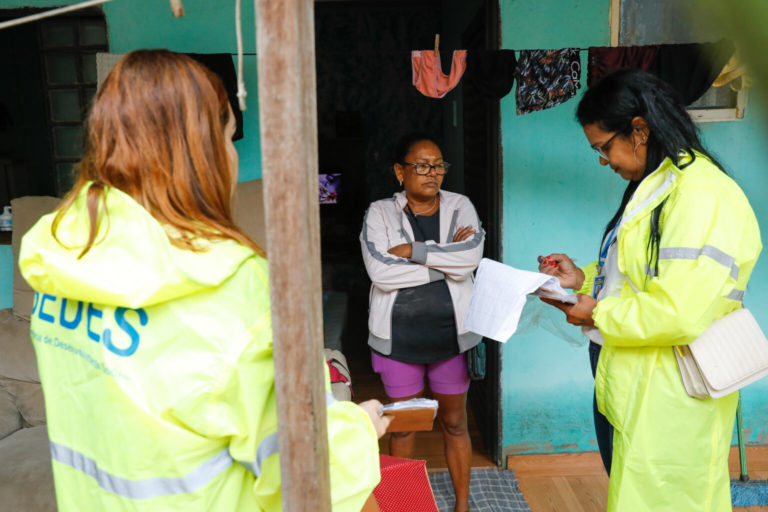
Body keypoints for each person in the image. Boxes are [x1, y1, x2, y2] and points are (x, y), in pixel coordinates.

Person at [18, 50, 389, 512]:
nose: (234, 158)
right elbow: (316, 473)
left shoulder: (63, 257)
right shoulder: (231, 286)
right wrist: (359, 430)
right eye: (231, 139)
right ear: (203, 152)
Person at [538, 68, 761, 511]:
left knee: (665, 500)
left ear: (638, 130)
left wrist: (596, 313)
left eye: (604, 147)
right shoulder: (657, 185)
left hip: (673, 392)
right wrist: (582, 279)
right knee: (638, 493)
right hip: (635, 379)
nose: (604, 160)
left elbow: (679, 309)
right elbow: (641, 274)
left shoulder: (701, 194)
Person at [360, 133, 485, 512]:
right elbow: (381, 271)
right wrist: (446, 267)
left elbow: (472, 258)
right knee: (404, 427)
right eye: (422, 165)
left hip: (452, 337)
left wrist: (413, 252)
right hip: (399, 339)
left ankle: (462, 506)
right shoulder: (379, 212)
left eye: (439, 165)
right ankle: (404, 508)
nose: (433, 173)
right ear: (400, 171)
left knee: (455, 424)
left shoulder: (461, 205)